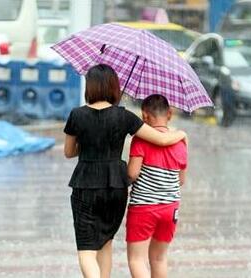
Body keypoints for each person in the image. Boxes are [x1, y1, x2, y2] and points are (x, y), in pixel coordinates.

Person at [63, 64, 187, 278]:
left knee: (86, 250)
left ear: (89, 87)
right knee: (105, 243)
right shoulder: (125, 117)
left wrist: (91, 143)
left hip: (86, 184)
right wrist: (182, 134)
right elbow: (161, 138)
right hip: (115, 187)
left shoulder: (77, 115)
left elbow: (69, 151)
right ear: (114, 87)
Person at [126, 94, 187, 278]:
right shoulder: (180, 141)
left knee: (137, 259)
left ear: (144, 116)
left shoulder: (141, 139)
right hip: (170, 208)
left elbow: (132, 173)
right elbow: (181, 180)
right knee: (159, 258)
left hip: (144, 207)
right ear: (170, 114)